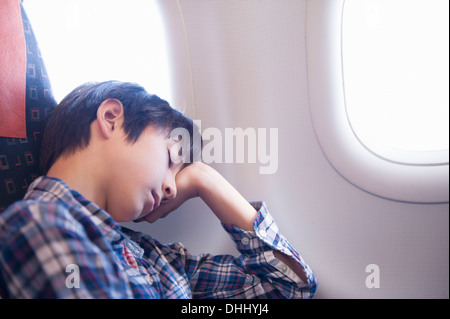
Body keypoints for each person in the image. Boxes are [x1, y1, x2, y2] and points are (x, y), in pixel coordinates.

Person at [0, 81, 317, 298]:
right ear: (111, 118)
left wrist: (204, 179)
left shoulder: (156, 259)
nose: (171, 187)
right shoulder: (38, 224)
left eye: (181, 175)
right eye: (170, 158)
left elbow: (288, 287)